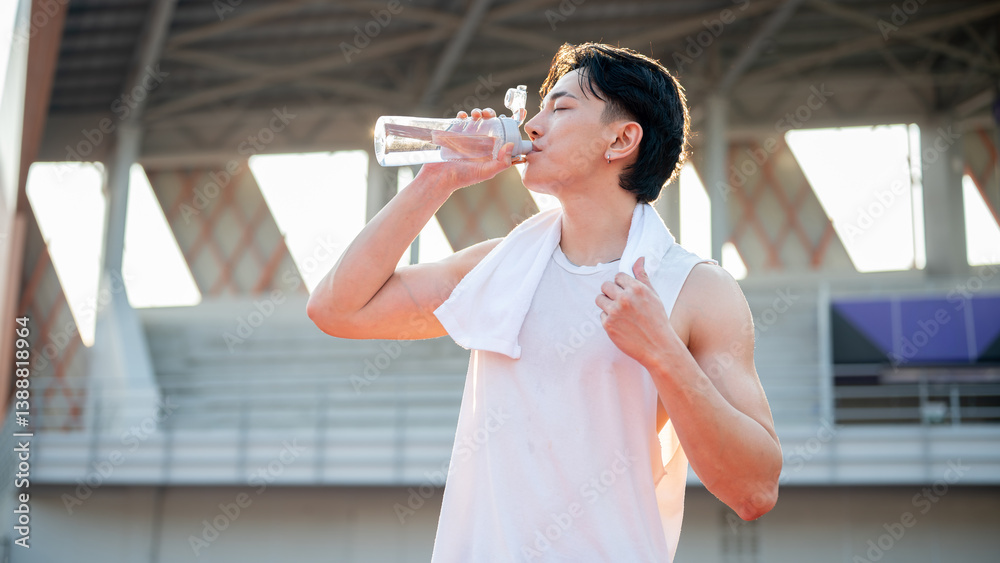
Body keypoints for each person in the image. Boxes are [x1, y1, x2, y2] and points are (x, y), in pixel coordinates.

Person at [307, 42, 781, 562]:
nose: (531, 126)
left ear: (622, 139)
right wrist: (437, 179)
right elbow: (336, 309)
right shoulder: (501, 265)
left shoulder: (695, 289)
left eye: (560, 108)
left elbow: (754, 490)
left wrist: (663, 353)